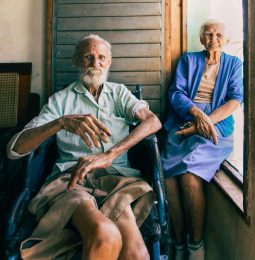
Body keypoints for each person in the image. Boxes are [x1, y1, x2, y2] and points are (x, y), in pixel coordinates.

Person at [7, 34, 162, 260]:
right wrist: (60, 122)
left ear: (109, 62)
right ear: (77, 61)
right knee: (105, 234)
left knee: (137, 254)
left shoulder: (118, 93)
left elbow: (153, 121)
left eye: (101, 58)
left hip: (117, 181)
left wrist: (110, 154)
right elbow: (14, 149)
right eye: (88, 57)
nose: (95, 64)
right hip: (71, 182)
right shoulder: (61, 100)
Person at [161, 19, 243, 260]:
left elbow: (235, 99)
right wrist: (196, 114)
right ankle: (178, 243)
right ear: (201, 38)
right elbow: (176, 92)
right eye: (208, 34)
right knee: (169, 181)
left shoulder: (235, 64)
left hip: (216, 127)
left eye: (218, 35)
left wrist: (208, 121)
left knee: (189, 174)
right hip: (183, 120)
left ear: (226, 40)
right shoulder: (189, 60)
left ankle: (196, 245)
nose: (213, 39)